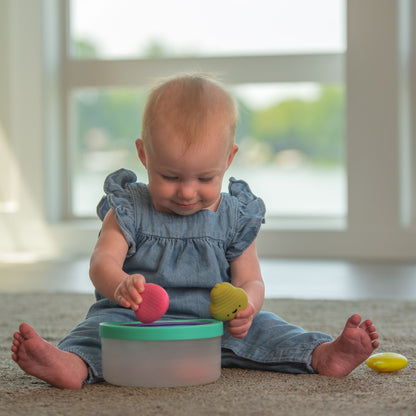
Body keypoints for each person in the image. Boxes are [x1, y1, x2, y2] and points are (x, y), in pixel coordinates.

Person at [11, 73, 379, 389]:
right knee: (96, 332)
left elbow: (251, 279)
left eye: (206, 178)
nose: (187, 191)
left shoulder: (235, 214)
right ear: (144, 155)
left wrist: (247, 307)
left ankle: (323, 355)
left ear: (229, 159)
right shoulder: (129, 207)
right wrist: (119, 284)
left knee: (271, 330)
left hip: (212, 324)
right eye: (169, 176)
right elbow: (101, 261)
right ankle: (70, 365)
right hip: (136, 321)